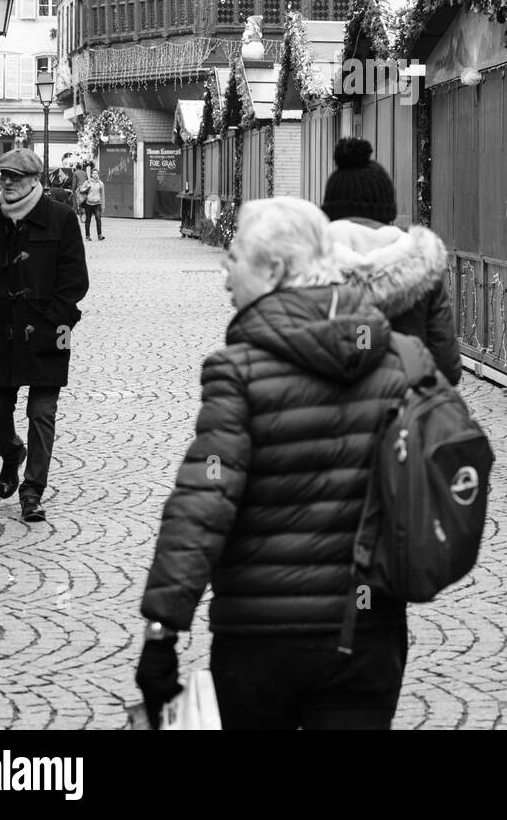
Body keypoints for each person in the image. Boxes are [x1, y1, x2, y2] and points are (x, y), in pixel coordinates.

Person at [136, 197, 412, 731]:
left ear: (276, 270)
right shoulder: (392, 357)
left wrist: (162, 631)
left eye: (234, 257)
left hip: (261, 642)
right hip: (367, 634)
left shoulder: (238, 371)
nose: (224, 271)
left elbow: (206, 497)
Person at [0, 148, 89, 524]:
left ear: (35, 180)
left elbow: (75, 279)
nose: (8, 183)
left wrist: (54, 321)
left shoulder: (61, 219)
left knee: (41, 412)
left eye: (16, 177)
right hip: (1, 332)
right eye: (4, 177)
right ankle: (12, 453)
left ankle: (32, 491)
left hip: (52, 331)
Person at [321, 138, 461, 387]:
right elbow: (446, 366)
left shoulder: (307, 266)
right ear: (388, 209)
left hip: (333, 414)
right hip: (403, 408)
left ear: (330, 209)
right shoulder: (421, 264)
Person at [78, 165, 105, 241]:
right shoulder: (87, 182)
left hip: (97, 203)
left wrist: (103, 206)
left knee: (98, 219)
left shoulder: (101, 183)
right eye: (94, 173)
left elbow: (102, 195)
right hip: (88, 203)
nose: (95, 175)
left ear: (98, 175)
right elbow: (81, 190)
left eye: (97, 173)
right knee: (88, 220)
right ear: (91, 175)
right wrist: (87, 187)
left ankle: (100, 235)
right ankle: (87, 236)